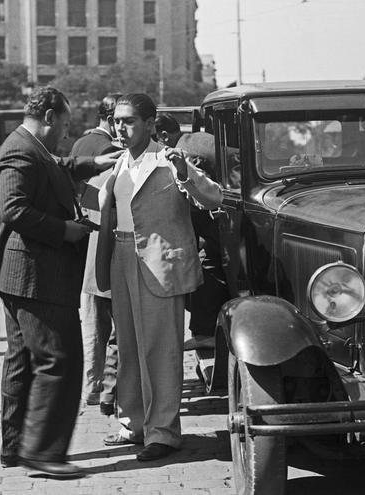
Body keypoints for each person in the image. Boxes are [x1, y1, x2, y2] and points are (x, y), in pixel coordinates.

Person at [0, 86, 121, 478]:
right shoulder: (19, 149)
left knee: (22, 361)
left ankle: (15, 448)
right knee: (59, 359)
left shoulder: (30, 146)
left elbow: (56, 165)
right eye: (63, 122)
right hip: (35, 277)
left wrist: (93, 162)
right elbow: (13, 210)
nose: (65, 131)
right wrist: (65, 231)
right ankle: (43, 452)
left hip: (26, 276)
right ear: (48, 116)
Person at [96, 93, 222, 462]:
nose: (121, 127)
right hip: (122, 257)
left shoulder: (168, 159)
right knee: (130, 346)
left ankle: (163, 432)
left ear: (151, 124)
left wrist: (185, 173)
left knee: (161, 349)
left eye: (129, 120)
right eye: (117, 120)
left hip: (159, 263)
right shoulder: (119, 161)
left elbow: (213, 198)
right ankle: (133, 422)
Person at [154, 114, 223, 351]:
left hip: (215, 212)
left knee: (206, 265)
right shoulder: (197, 140)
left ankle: (205, 333)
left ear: (164, 136)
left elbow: (196, 195)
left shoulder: (185, 151)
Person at [72, 93, 121, 416]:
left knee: (91, 320)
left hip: (84, 239)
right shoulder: (112, 152)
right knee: (114, 323)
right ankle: (108, 387)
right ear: (110, 120)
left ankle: (90, 385)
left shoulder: (78, 145)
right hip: (108, 237)